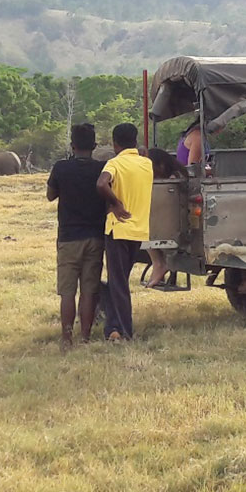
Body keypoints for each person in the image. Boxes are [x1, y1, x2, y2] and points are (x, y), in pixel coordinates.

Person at [46, 123, 107, 349]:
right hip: (95, 236)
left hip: (69, 237)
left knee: (68, 292)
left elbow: (50, 196)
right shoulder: (102, 168)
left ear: (72, 146)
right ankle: (86, 337)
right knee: (89, 290)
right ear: (94, 146)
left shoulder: (61, 168)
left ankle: (66, 338)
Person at [96, 124, 153, 341]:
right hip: (138, 231)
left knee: (118, 283)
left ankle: (124, 331)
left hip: (118, 228)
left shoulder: (115, 163)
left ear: (115, 143)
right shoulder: (146, 163)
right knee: (118, 280)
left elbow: (101, 184)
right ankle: (113, 328)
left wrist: (116, 203)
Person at [143, 148, 187, 289]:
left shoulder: (173, 179)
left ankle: (159, 264)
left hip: (174, 222)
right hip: (170, 220)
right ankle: (159, 264)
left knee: (145, 229)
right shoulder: (174, 175)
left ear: (161, 165)